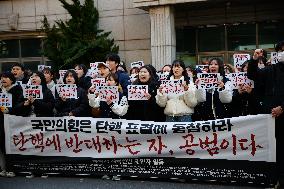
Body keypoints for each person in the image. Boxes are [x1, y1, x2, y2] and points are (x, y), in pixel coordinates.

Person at [247, 42, 284, 180]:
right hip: (273, 115)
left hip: (281, 110)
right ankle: (277, 179)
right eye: (280, 50)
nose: (282, 53)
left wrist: (283, 107)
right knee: (277, 149)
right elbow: (253, 75)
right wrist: (254, 59)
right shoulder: (271, 69)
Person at [0, 72, 26, 177]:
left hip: (13, 121)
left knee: (11, 145)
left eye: (6, 77)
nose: (3, 79)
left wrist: (9, 110)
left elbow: (21, 106)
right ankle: (3, 168)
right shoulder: (0, 91)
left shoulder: (18, 90)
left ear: (12, 80)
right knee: (2, 145)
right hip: (1, 121)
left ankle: (12, 168)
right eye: (1, 78)